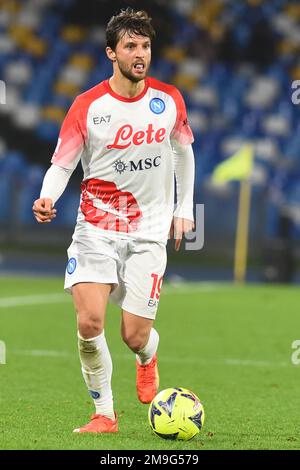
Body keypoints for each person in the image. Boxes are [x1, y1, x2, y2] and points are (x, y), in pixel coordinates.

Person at [32, 8, 195, 434]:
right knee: (89, 324)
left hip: (148, 232)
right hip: (95, 229)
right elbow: (62, 164)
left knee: (134, 335)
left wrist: (183, 208)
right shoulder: (87, 106)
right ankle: (104, 414)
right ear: (111, 52)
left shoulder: (168, 100)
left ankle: (147, 357)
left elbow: (184, 153)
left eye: (145, 46)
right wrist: (47, 196)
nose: (140, 54)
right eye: (130, 46)